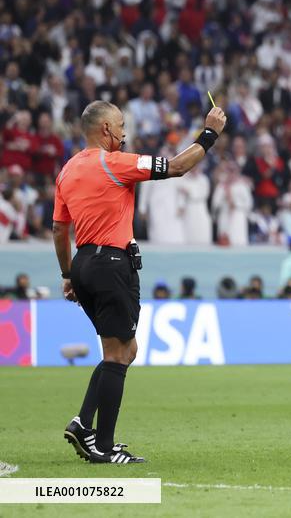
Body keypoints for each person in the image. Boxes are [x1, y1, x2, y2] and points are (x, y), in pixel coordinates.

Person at [54, 100, 226, 464]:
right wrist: (210, 133)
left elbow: (58, 228)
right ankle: (103, 446)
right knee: (118, 355)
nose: (124, 132)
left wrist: (68, 274)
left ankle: (83, 423)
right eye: (120, 125)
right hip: (112, 264)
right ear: (105, 129)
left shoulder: (67, 171)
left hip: (83, 264)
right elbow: (177, 166)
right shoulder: (116, 163)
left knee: (123, 351)